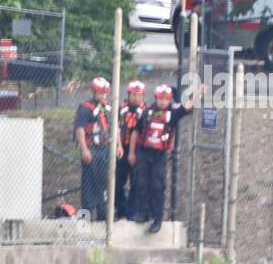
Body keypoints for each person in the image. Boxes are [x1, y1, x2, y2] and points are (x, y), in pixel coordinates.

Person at [129, 82, 200, 233]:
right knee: (141, 183)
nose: (163, 101)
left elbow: (187, 107)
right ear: (155, 98)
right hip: (143, 152)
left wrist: (198, 93)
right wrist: (131, 152)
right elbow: (135, 132)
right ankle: (142, 213)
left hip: (159, 155)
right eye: (160, 98)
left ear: (169, 100)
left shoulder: (172, 114)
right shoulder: (146, 112)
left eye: (166, 99)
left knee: (157, 186)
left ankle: (157, 218)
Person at [74, 77, 113, 221]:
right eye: (100, 93)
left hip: (104, 150)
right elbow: (80, 129)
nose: (103, 96)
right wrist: (84, 149)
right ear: (94, 92)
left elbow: (115, 128)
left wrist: (118, 146)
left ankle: (103, 217)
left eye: (105, 93)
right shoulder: (86, 108)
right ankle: (85, 219)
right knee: (89, 186)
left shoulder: (108, 108)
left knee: (103, 183)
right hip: (91, 150)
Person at [114, 81, 147, 221]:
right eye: (134, 95)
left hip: (138, 150)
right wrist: (118, 146)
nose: (137, 98)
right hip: (122, 148)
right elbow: (116, 126)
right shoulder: (121, 108)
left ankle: (131, 211)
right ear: (129, 95)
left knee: (136, 181)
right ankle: (120, 209)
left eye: (139, 95)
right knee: (118, 180)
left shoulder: (146, 110)